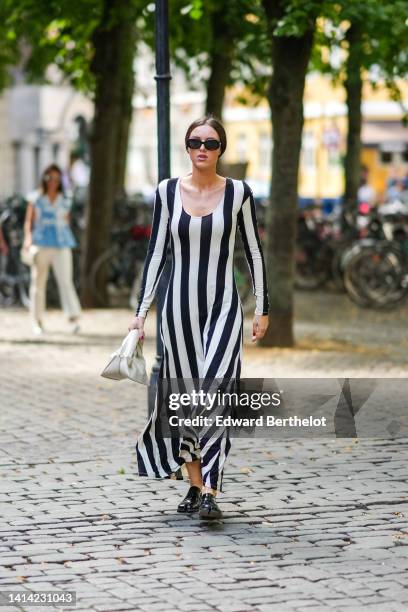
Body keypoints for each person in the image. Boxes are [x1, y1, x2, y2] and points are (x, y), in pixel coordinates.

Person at [128, 115, 269, 520]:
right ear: (186, 147)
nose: (201, 148)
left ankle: (211, 488)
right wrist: (141, 314)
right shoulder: (167, 192)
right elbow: (156, 253)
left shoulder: (239, 192)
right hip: (177, 312)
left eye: (210, 142)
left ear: (221, 148)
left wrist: (262, 308)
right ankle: (195, 484)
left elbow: (254, 251)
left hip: (224, 308)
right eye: (194, 142)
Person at [23, 163, 82, 335]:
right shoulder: (35, 198)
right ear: (44, 178)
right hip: (41, 243)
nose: (53, 182)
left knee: (65, 280)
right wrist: (28, 239)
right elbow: (29, 221)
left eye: (56, 178)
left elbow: (67, 219)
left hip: (62, 243)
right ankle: (37, 320)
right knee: (38, 282)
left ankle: (73, 318)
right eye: (49, 178)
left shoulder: (66, 198)